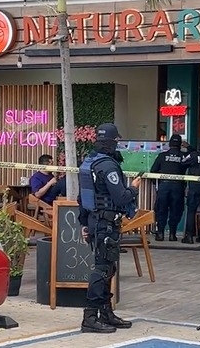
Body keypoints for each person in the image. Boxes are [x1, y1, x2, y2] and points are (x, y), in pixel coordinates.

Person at [78, 123, 141, 334]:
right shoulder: (108, 166)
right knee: (102, 269)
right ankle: (90, 317)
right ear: (113, 141)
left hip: (96, 222)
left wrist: (84, 224)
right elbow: (121, 197)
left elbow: (83, 197)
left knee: (108, 268)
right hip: (105, 224)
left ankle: (106, 313)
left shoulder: (89, 162)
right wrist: (134, 188)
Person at [150, 134, 187, 242]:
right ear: (180, 144)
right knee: (176, 210)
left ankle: (160, 233)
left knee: (161, 209)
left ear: (169, 144)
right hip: (178, 186)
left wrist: (156, 183)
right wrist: (188, 147)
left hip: (164, 186)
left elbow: (153, 170)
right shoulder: (183, 156)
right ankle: (172, 234)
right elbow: (193, 158)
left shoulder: (162, 156)